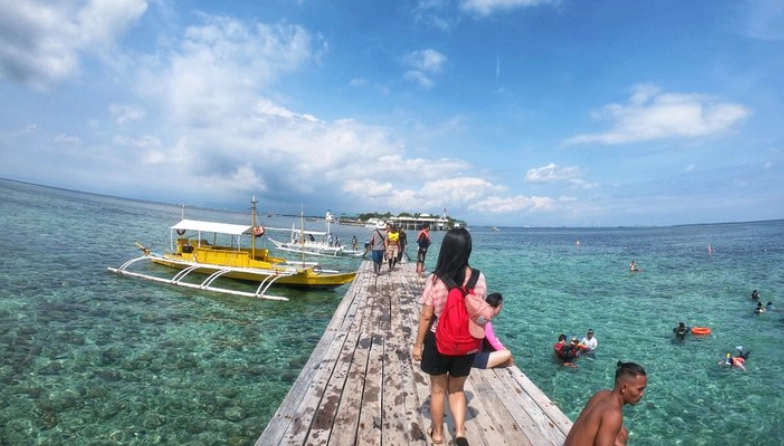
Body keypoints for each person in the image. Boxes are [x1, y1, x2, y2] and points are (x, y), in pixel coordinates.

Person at [412, 227, 487, 446]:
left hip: (439, 341)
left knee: (437, 390)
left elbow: (427, 316)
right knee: (457, 389)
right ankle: (460, 433)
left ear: (446, 249)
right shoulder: (479, 278)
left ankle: (437, 435)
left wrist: (418, 345)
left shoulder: (436, 280)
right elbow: (481, 315)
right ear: (468, 250)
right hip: (466, 345)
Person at [563, 361, 647, 446]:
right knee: (619, 432)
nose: (642, 394)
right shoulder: (613, 414)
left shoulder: (602, 395)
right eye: (639, 389)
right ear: (624, 388)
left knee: (622, 432)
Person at [472, 293, 514, 369]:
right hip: (473, 358)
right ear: (494, 307)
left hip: (467, 353)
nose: (501, 309)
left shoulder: (480, 316)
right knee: (508, 356)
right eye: (500, 307)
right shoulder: (485, 320)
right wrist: (503, 350)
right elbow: (493, 341)